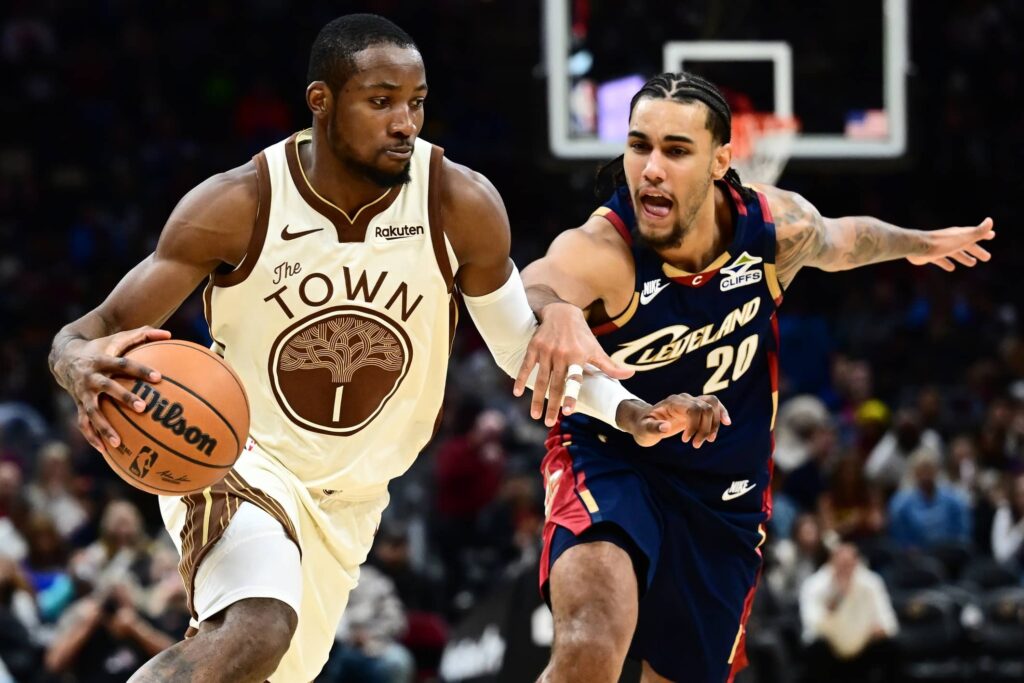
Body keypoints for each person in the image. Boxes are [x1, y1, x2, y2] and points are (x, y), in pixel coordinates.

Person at [47, 16, 728, 682]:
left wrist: (632, 410)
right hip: (241, 457)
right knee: (257, 625)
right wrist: (74, 361)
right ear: (322, 102)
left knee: (263, 659)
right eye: (381, 102)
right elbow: (94, 326)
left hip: (355, 499)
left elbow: (522, 345)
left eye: (416, 103)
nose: (406, 121)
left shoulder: (460, 203)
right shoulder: (238, 204)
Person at [521, 70, 995, 682]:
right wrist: (555, 309)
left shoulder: (773, 230)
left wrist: (918, 243)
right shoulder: (605, 250)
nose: (651, 168)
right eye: (639, 145)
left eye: (676, 149)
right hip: (613, 457)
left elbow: (844, 239)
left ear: (720, 161)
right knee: (588, 646)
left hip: (724, 489)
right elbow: (539, 278)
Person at [798, 543, 898, 683]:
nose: (845, 569)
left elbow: (888, 622)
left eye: (849, 564)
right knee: (816, 649)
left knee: (890, 647)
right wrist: (838, 598)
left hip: (864, 648)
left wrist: (880, 628)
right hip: (830, 651)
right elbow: (812, 627)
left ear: (857, 562)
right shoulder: (814, 585)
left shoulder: (871, 582)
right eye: (841, 565)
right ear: (831, 562)